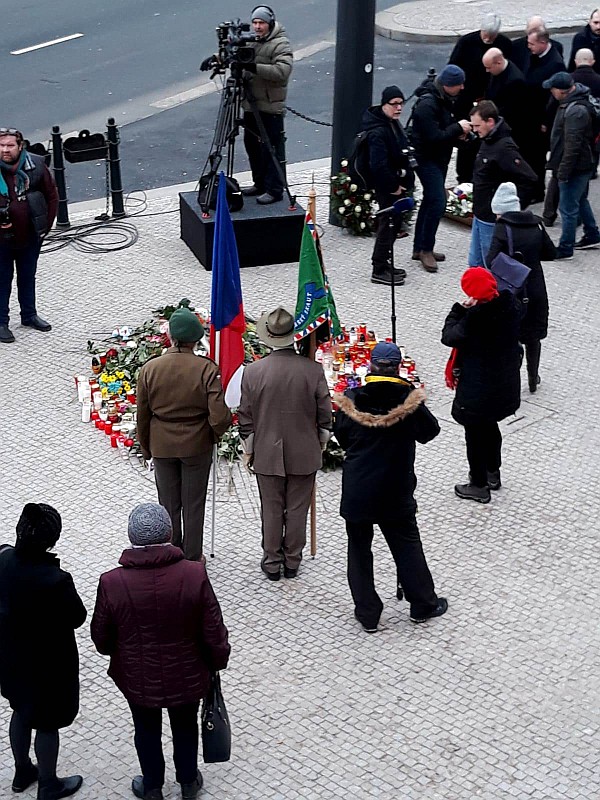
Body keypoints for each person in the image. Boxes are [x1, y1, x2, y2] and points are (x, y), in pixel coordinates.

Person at [91, 503, 230, 800]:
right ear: (169, 533)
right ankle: (189, 783)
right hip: (188, 673)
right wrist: (217, 663)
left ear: (131, 537)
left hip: (138, 677)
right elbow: (213, 628)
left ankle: (152, 786)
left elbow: (101, 638)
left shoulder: (112, 582)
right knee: (185, 727)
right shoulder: (194, 574)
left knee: (146, 730)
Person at [333, 342, 447, 632]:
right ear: (397, 368)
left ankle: (368, 613)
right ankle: (422, 603)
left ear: (370, 366)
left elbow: (343, 438)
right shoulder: (409, 403)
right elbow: (430, 432)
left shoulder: (351, 401)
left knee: (359, 549)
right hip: (395, 488)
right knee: (406, 544)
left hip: (359, 489)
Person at [238, 306, 332, 580]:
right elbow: (325, 414)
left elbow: (246, 416)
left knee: (271, 507)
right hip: (304, 451)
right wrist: (322, 442)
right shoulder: (313, 370)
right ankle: (292, 560)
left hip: (267, 451)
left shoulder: (253, 372)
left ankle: (271, 560)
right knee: (298, 508)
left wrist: (250, 449)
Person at [0, 503, 86, 800]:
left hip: (11, 658)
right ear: (52, 539)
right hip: (49, 666)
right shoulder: (56, 581)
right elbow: (77, 617)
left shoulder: (3, 559)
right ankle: (49, 783)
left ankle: (22, 770)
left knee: (20, 711)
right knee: (47, 723)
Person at [136, 307, 232, 561]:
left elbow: (143, 415)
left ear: (171, 337)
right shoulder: (206, 369)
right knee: (193, 504)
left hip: (162, 445)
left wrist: (147, 448)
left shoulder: (150, 368)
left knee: (167, 504)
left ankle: (170, 554)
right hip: (196, 445)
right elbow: (220, 415)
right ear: (195, 339)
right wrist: (213, 434)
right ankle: (191, 558)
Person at [441, 267, 522, 504]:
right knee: (491, 427)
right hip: (503, 384)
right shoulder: (512, 307)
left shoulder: (476, 319)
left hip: (478, 389)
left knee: (475, 435)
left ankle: (478, 485)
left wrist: (459, 310)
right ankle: (493, 473)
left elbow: (448, 336)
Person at [202, 7, 293, 205]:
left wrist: (253, 67)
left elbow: (282, 71)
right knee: (253, 146)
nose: (258, 26)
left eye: (262, 23)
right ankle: (259, 183)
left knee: (271, 149)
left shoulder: (280, 43)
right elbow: (237, 54)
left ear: (270, 23)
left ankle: (275, 189)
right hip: (251, 105)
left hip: (269, 106)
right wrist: (218, 59)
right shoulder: (251, 39)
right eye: (255, 22)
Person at [487, 182, 556, 393]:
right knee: (533, 336)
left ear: (500, 210)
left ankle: (511, 381)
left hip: (512, 290)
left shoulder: (502, 227)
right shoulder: (536, 224)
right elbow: (551, 253)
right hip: (535, 287)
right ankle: (533, 378)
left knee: (510, 336)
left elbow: (491, 259)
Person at [410, 65, 473, 273]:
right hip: (426, 158)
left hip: (437, 158)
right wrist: (457, 128)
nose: (462, 88)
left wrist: (458, 135)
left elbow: (443, 131)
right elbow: (433, 137)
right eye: (459, 84)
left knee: (430, 200)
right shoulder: (428, 104)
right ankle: (425, 249)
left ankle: (420, 247)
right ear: (448, 85)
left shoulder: (443, 99)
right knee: (438, 201)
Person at [0, 128, 58, 344]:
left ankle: (29, 315)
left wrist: (45, 227)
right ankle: (1, 322)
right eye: (1, 146)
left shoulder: (35, 165)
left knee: (27, 276)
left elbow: (52, 195)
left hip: (30, 236)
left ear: (20, 146)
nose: (5, 150)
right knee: (2, 280)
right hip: (1, 241)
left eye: (9, 146)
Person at [468, 100, 537, 267]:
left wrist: (510, 209)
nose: (475, 130)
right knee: (475, 263)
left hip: (492, 219)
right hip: (480, 213)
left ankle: (495, 293)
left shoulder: (504, 148)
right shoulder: (488, 140)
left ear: (490, 122)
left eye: (478, 125)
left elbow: (530, 178)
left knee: (491, 266)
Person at [361, 85, 415, 286]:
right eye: (394, 104)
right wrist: (394, 187)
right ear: (384, 105)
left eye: (401, 103)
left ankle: (384, 262)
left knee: (393, 224)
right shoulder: (378, 131)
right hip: (388, 186)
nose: (399, 108)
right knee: (388, 224)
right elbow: (379, 165)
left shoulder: (391, 123)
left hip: (395, 183)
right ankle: (379, 267)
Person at [448, 13, 513, 182]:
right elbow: (453, 67)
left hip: (491, 100)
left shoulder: (504, 44)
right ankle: (464, 176)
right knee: (467, 138)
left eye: (492, 36)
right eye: (486, 34)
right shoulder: (467, 42)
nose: (488, 38)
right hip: (467, 98)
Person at [544, 71, 600, 258]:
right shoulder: (574, 104)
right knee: (580, 200)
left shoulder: (575, 111)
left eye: (552, 88)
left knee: (567, 208)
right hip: (582, 164)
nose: (551, 91)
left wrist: (563, 172)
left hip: (574, 167)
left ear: (562, 91)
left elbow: (572, 146)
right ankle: (592, 234)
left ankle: (565, 248)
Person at [522, 28, 566, 201]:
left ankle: (537, 191)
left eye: (531, 44)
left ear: (542, 43)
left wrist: (546, 121)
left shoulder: (555, 63)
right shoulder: (537, 56)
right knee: (530, 154)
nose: (528, 47)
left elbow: (554, 98)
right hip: (531, 115)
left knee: (537, 156)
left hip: (541, 119)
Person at [483, 49, 529, 148]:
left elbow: (510, 109)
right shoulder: (498, 70)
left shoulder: (515, 81)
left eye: (489, 67)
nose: (487, 70)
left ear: (498, 63)